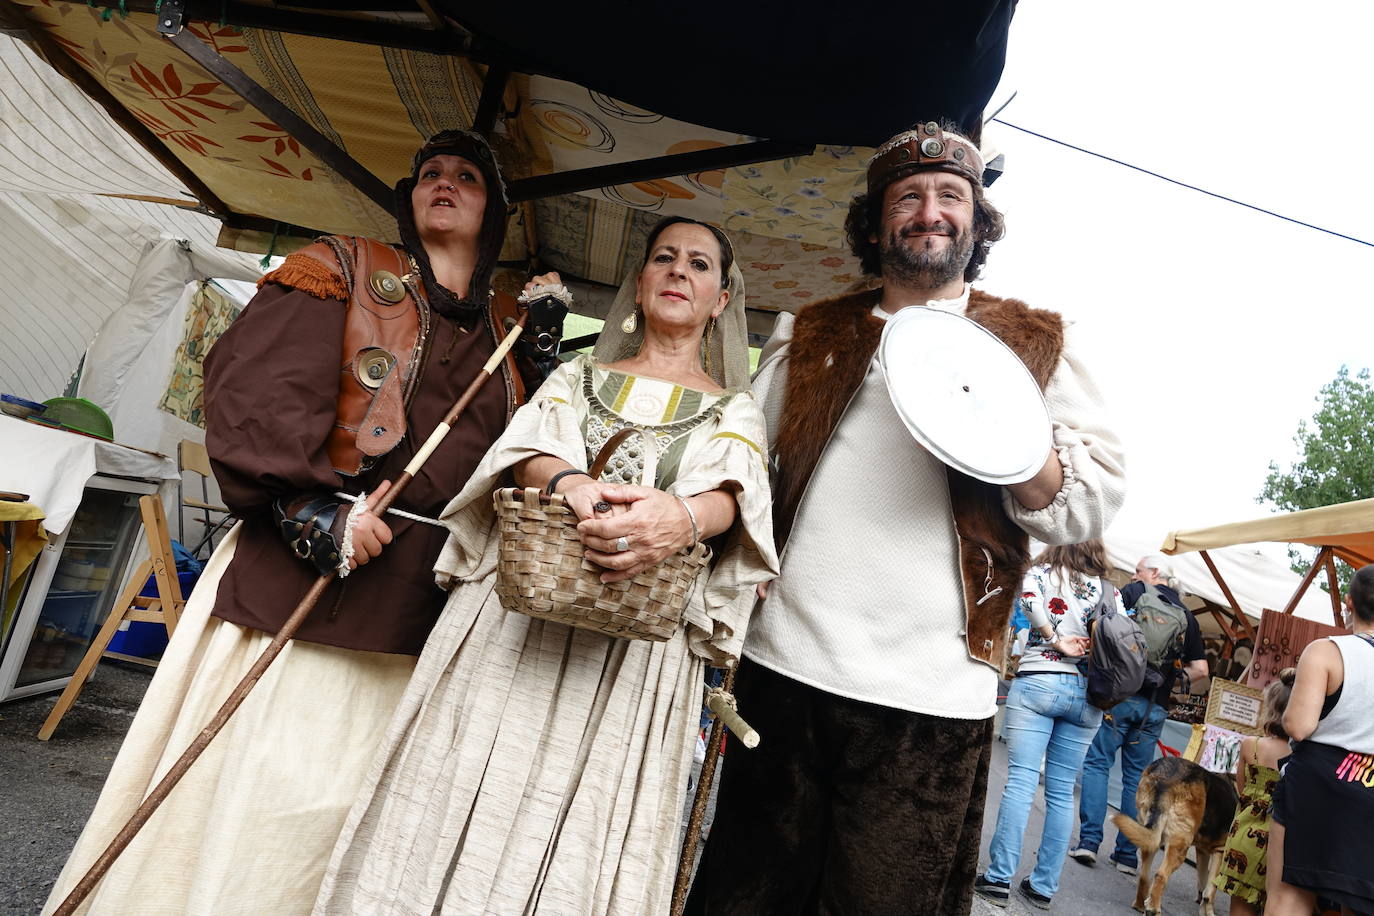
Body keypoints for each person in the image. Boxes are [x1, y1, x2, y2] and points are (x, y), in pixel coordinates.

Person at [42, 130, 540, 915]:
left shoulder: (509, 336)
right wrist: (307, 504)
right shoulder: (344, 265)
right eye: (430, 173)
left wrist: (539, 361)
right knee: (249, 793)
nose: (444, 183)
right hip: (301, 566)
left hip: (419, 612)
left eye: (468, 176)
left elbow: (523, 466)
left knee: (345, 819)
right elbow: (254, 385)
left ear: (497, 212)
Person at [685, 120, 1125, 915]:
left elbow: (1088, 503)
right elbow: (739, 464)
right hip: (784, 669)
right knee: (741, 901)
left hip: (931, 697)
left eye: (951, 196)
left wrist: (1007, 432)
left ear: (977, 220)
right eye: (908, 197)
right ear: (877, 220)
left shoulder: (1035, 344)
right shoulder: (810, 331)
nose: (930, 212)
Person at [312, 216, 778, 915]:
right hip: (511, 624)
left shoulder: (734, 408)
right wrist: (570, 484)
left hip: (632, 654)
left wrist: (675, 519)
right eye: (664, 258)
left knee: (586, 818)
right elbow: (524, 445)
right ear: (641, 281)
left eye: (700, 265)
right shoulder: (578, 373)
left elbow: (731, 494)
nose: (679, 271)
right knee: (461, 781)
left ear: (720, 301)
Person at [974, 540, 1123, 909]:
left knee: (1022, 781)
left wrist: (1055, 639)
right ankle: (1043, 886)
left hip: (1040, 679)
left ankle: (998, 879)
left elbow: (1028, 601)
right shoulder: (1111, 592)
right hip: (1089, 694)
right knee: (1060, 793)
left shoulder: (1041, 574)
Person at [1070, 553, 1208, 875]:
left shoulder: (1134, 594)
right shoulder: (1188, 616)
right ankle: (1126, 857)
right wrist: (1169, 683)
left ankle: (1089, 843)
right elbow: (1201, 669)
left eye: (1137, 570)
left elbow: (1100, 628)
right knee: (1136, 778)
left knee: (1098, 763)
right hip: (1154, 708)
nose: (1133, 576)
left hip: (1119, 698)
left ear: (1155, 572)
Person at [1267, 565, 1374, 916]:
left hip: (1319, 782)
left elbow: (1297, 726)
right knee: (1359, 902)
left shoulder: (1326, 651)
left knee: (1289, 895)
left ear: (1349, 602)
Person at [1213, 668, 1295, 916]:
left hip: (1245, 835)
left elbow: (1242, 790)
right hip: (1282, 843)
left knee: (1240, 908)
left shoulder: (1251, 745)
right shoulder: (1301, 755)